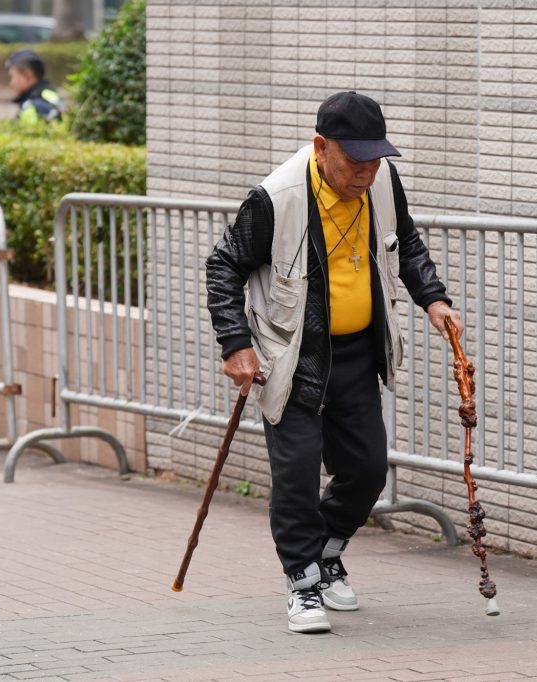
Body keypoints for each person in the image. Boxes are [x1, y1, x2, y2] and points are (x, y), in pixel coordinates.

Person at [205, 91, 463, 634]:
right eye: (355, 160)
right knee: (297, 474)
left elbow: (406, 243)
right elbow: (223, 266)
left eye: (376, 160)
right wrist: (235, 344)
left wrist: (434, 299)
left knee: (367, 470)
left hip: (356, 353)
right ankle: (302, 582)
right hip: (292, 357)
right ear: (321, 148)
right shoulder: (276, 197)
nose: (367, 172)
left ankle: (325, 552)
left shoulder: (382, 184)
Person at [4, 49, 63, 124]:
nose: (12, 83)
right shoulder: (49, 94)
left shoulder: (31, 106)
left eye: (13, 77)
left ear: (28, 74)